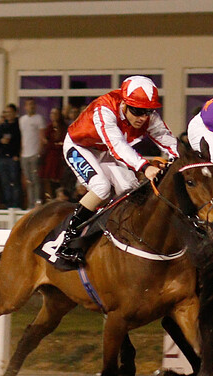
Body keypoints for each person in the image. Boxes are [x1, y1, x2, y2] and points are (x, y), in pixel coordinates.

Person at [57, 76, 178, 264]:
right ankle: (67, 240)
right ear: (124, 104)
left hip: (106, 150)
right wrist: (144, 166)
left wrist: (181, 160)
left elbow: (167, 140)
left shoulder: (147, 116)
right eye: (138, 111)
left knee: (131, 188)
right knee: (101, 187)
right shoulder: (104, 109)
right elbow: (118, 146)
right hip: (80, 146)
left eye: (148, 111)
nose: (143, 118)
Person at [19, 98, 47, 207]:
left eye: (32, 105)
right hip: (25, 154)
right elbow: (23, 137)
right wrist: (22, 151)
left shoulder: (39, 119)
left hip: (34, 153)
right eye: (28, 105)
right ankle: (30, 203)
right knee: (28, 180)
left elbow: (42, 137)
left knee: (36, 179)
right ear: (25, 107)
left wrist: (39, 152)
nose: (30, 107)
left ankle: (37, 201)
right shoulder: (22, 120)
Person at [0, 104, 22, 208]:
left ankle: (15, 205)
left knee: (15, 181)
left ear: (15, 113)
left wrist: (17, 154)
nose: (8, 115)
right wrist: (1, 141)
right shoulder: (2, 126)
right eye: (6, 112)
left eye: (10, 112)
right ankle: (8, 204)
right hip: (3, 157)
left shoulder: (18, 125)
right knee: (5, 182)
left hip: (13, 157)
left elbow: (20, 141)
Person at [40, 108, 67, 202]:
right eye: (52, 113)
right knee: (48, 178)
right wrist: (54, 144)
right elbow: (46, 141)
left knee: (59, 178)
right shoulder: (49, 127)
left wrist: (55, 144)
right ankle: (50, 198)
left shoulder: (63, 127)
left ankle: (60, 197)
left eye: (55, 113)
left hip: (59, 157)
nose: (53, 115)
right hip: (50, 156)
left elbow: (63, 142)